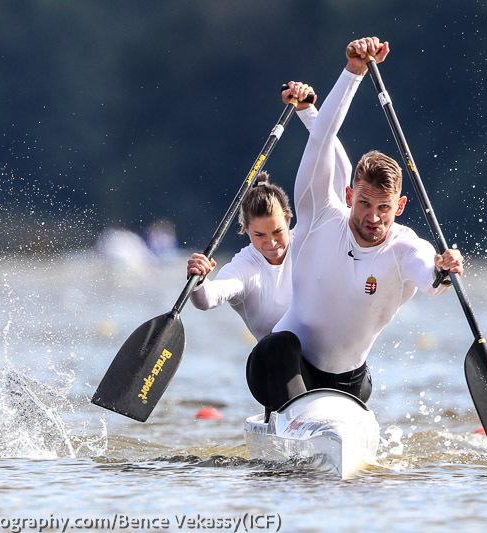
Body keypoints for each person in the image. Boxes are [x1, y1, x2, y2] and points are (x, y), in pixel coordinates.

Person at [246, 37, 465, 415]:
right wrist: (353, 72)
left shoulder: (405, 247)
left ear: (400, 205)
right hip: (284, 369)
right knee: (278, 346)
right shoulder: (319, 216)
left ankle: (315, 424)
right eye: (364, 204)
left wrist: (444, 271)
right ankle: (294, 422)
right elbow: (321, 140)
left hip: (350, 383)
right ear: (349, 196)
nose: (373, 217)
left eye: (383, 207)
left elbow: (430, 278)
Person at [187, 82, 352, 341]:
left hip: (325, 355)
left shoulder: (309, 241)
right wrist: (198, 280)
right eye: (259, 235)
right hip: (274, 365)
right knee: (283, 345)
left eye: (277, 231)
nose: (271, 243)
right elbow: (208, 299)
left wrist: (308, 110)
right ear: (245, 230)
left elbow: (342, 172)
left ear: (289, 220)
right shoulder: (245, 268)